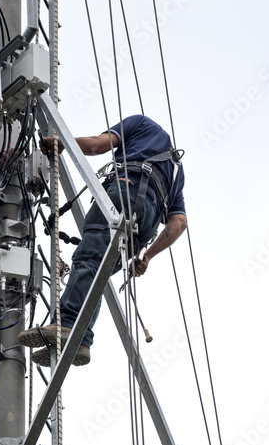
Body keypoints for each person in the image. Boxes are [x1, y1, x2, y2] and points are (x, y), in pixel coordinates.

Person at [19, 115, 187, 366]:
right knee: (99, 271)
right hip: (146, 222)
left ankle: (65, 324)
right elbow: (179, 223)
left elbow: (98, 145)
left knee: (88, 259)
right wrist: (148, 255)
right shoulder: (175, 169)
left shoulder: (140, 123)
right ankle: (81, 340)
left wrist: (63, 143)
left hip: (125, 192)